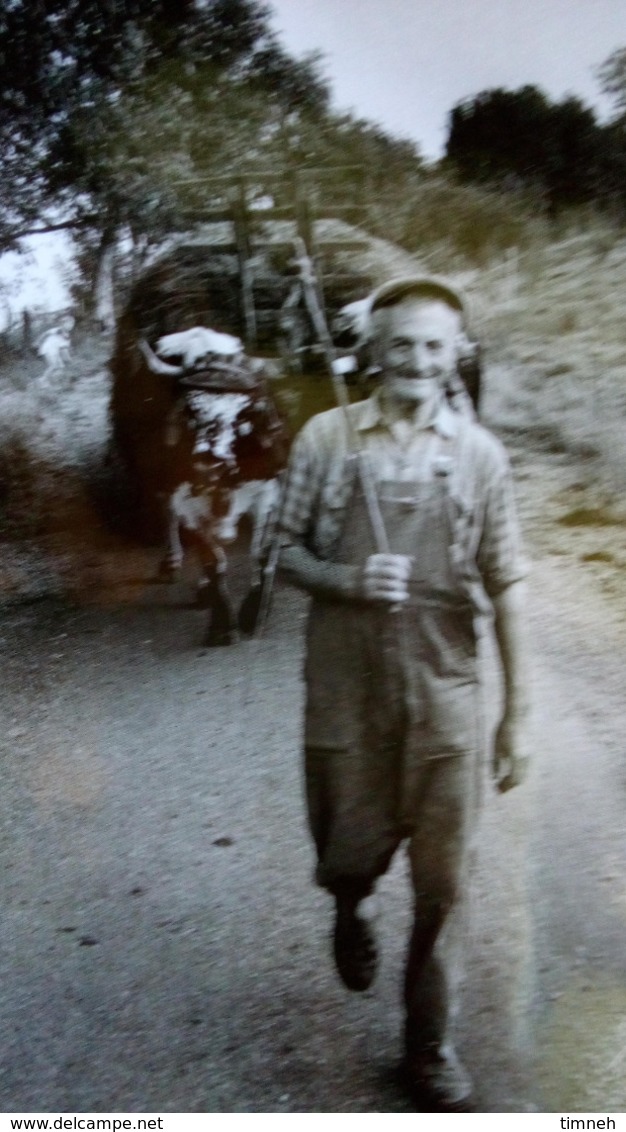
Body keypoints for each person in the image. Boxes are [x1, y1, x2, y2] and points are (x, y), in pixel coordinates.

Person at [278, 275, 530, 1111]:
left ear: (456, 352)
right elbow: (279, 554)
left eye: (434, 344)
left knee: (445, 882)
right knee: (347, 850)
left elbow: (508, 581)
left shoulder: (482, 456)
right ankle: (350, 907)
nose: (417, 360)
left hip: (446, 688)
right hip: (347, 690)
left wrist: (516, 714)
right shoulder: (325, 439)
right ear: (372, 351)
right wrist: (347, 576)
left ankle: (427, 1047)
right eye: (400, 344)